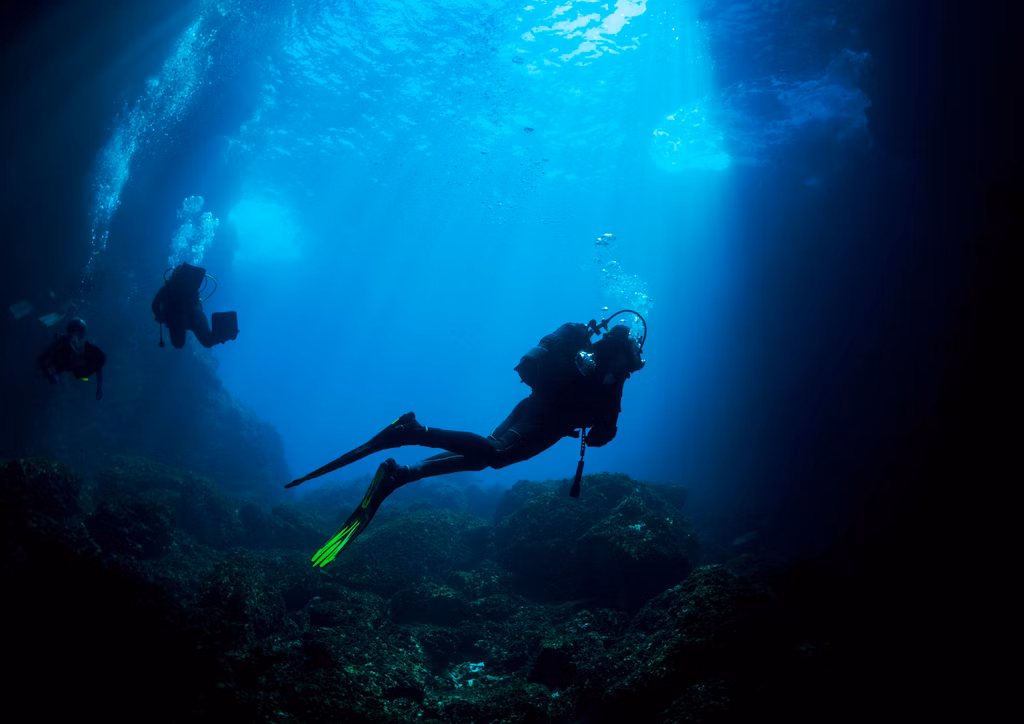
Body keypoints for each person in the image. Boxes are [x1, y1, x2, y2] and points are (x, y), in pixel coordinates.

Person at [288, 311, 647, 567]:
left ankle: (402, 474)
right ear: (632, 348)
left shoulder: (588, 353)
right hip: (549, 419)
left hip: (530, 406)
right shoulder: (614, 373)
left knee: (484, 455)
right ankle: (412, 432)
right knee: (496, 453)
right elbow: (605, 432)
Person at [152, 263, 239, 349]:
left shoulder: (173, 317)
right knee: (207, 341)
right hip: (193, 309)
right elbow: (157, 304)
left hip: (193, 310)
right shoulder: (172, 317)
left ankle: (229, 327)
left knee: (207, 341)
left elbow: (157, 303)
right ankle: (229, 328)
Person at [38, 317, 106, 400]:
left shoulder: (87, 348)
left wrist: (100, 385)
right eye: (72, 332)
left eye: (78, 334)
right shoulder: (61, 344)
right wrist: (52, 375)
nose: (74, 337)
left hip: (75, 372)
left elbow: (98, 363)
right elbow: (45, 359)